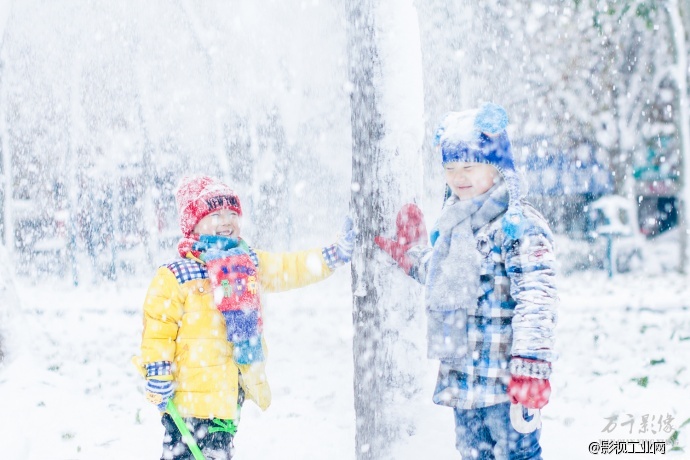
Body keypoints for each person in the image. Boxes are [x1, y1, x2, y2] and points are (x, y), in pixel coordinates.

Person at [375, 103, 557, 459]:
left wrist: (531, 366)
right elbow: (447, 281)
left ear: (496, 166)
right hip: (464, 382)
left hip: (507, 385)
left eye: (470, 166)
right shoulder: (456, 225)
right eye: (450, 167)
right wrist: (410, 252)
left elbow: (537, 297)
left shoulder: (519, 226)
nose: (459, 176)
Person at [132, 175, 354, 460]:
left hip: (227, 399)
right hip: (186, 402)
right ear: (194, 225)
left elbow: (291, 267)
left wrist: (332, 255)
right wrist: (158, 371)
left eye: (233, 213)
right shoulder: (176, 275)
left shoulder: (247, 263)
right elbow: (157, 329)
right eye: (216, 214)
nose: (228, 220)